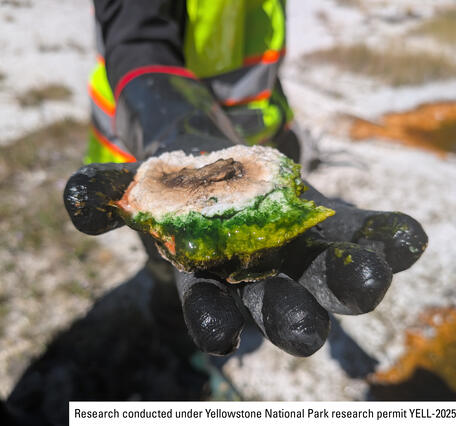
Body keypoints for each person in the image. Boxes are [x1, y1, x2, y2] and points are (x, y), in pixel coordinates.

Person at [65, 0, 427, 358]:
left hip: (252, 151)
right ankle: (174, 337)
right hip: (151, 148)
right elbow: (135, 38)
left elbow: (256, 63)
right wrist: (178, 123)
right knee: (171, 270)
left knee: (255, 284)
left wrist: (284, 138)